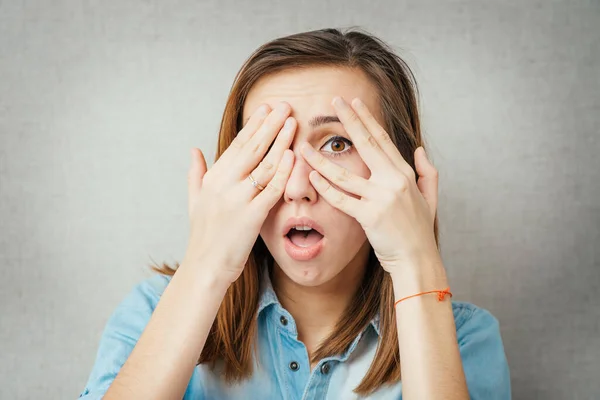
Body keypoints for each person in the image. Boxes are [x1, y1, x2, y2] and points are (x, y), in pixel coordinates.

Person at [78, 28, 511, 399]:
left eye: (337, 144)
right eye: (270, 146)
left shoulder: (464, 337)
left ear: (397, 172)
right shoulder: (152, 310)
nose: (299, 187)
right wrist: (206, 264)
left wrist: (417, 263)